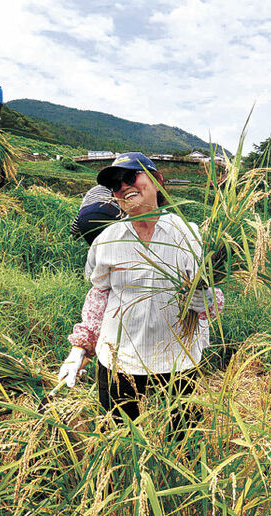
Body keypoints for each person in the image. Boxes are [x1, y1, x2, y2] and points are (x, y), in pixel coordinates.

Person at [56, 152, 222, 427]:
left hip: (178, 359)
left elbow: (212, 301)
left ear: (157, 180)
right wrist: (80, 349)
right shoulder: (108, 240)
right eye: (115, 184)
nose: (123, 186)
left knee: (181, 436)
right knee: (116, 435)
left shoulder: (189, 235)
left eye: (131, 176)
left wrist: (207, 300)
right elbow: (100, 295)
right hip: (119, 359)